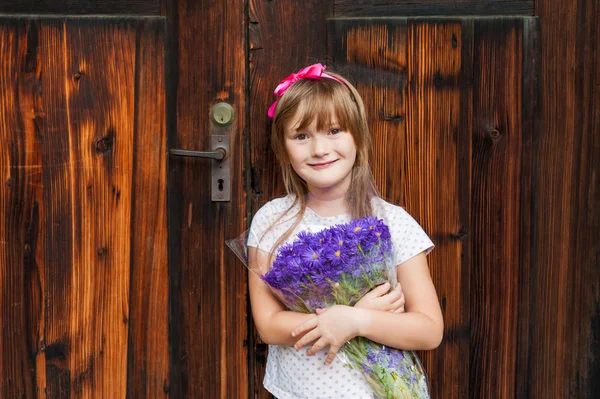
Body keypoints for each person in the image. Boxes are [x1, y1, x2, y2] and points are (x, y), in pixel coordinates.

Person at [246, 63, 443, 398]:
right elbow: (267, 325)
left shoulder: (391, 221)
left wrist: (355, 321)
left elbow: (428, 329)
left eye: (334, 130)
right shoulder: (273, 221)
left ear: (358, 137)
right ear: (283, 147)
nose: (320, 149)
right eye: (301, 136)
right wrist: (340, 318)